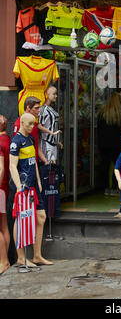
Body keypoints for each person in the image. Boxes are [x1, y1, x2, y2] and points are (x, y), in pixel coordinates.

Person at [9, 113, 53, 266]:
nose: (32, 127)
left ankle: (37, 255)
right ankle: (21, 257)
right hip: (24, 186)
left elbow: (34, 161)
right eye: (29, 124)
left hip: (34, 185)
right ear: (22, 122)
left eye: (33, 124)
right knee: (20, 219)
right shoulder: (16, 141)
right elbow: (12, 166)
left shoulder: (31, 139)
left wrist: (39, 181)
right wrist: (19, 186)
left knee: (41, 217)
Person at [97, 92, 121, 196]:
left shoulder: (102, 113)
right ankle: (115, 187)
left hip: (104, 144)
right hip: (117, 145)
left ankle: (104, 188)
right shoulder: (120, 114)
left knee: (105, 165)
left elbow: (99, 130)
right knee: (117, 167)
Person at [13, 96, 48, 166]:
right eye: (36, 108)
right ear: (28, 108)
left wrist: (45, 160)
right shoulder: (19, 124)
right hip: (25, 166)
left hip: (33, 164)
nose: (39, 110)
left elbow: (35, 144)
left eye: (39, 108)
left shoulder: (32, 122)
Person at [38, 86, 62, 164]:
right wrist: (51, 133)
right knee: (49, 166)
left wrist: (57, 140)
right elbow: (39, 125)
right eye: (54, 94)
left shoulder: (51, 109)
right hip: (46, 142)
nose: (56, 96)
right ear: (47, 95)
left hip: (52, 143)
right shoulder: (43, 110)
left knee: (53, 167)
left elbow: (52, 125)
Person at [0, 115, 11, 275]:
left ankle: (3, 261)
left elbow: (0, 167)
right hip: (5, 187)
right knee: (3, 224)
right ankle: (5, 259)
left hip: (0, 186)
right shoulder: (8, 139)